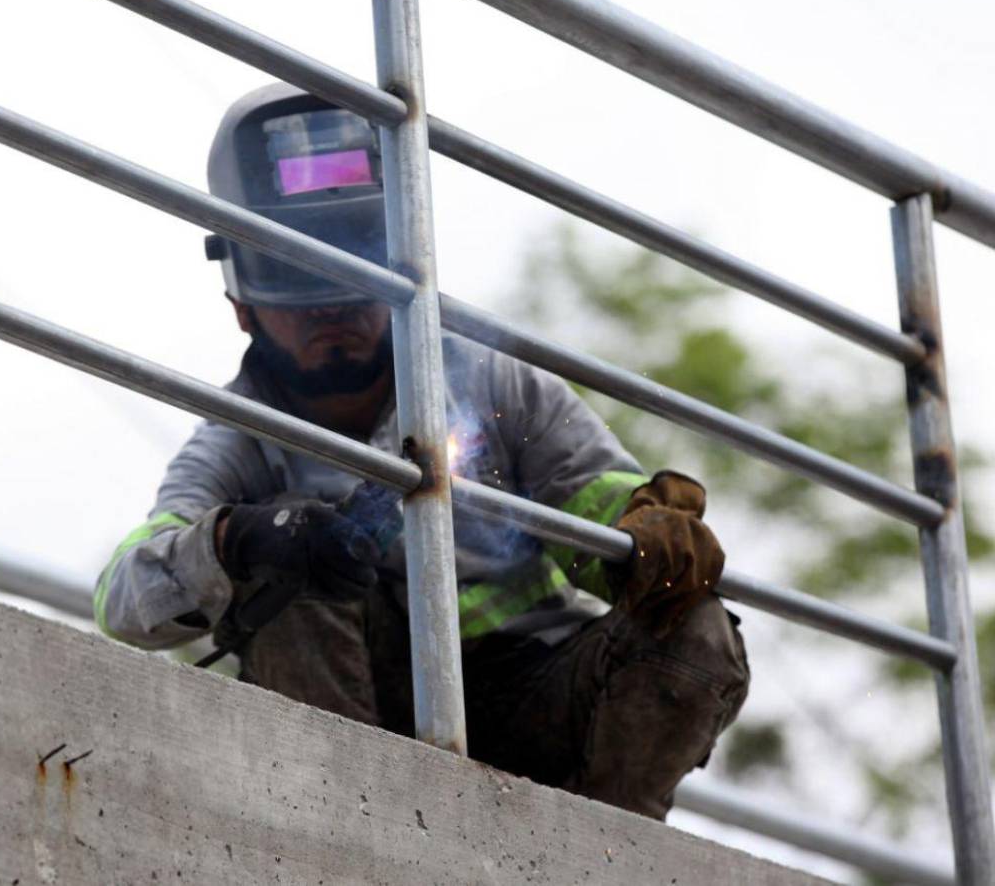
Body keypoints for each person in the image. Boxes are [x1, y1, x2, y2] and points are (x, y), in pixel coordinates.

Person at [95, 83, 749, 821]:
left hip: (533, 694)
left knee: (694, 623)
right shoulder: (237, 441)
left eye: (352, 271)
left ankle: (604, 854)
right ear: (241, 301)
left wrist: (643, 529)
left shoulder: (493, 381)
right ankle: (354, 850)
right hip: (357, 725)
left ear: (403, 267)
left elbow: (594, 497)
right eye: (298, 282)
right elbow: (123, 597)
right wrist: (232, 540)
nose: (331, 308)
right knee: (280, 570)